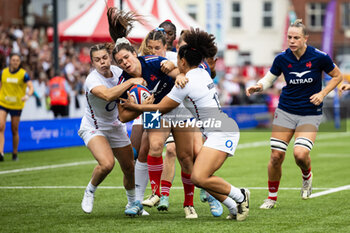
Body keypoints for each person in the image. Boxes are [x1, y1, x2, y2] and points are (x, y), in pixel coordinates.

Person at [121, 28, 250, 221]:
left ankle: (241, 195)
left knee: (199, 177)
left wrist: (135, 105)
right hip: (220, 129)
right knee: (197, 173)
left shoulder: (185, 83)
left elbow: (161, 108)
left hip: (221, 133)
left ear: (182, 61)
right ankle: (234, 207)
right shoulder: (202, 72)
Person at [107, 7, 199, 219]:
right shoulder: (124, 82)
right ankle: (155, 193)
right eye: (120, 62)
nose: (124, 63)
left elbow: (178, 73)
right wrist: (135, 106)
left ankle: (190, 203)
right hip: (153, 111)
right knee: (152, 148)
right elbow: (122, 117)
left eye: (126, 58)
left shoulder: (155, 61)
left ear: (134, 54)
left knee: (186, 157)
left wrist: (177, 75)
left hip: (177, 108)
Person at [246, 19, 343, 209]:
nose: (291, 40)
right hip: (286, 111)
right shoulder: (282, 58)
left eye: (296, 37)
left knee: (299, 154)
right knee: (276, 156)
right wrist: (258, 86)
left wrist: (322, 93)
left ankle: (307, 175)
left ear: (305, 38)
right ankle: (271, 197)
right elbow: (269, 78)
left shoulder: (319, 57)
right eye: (289, 37)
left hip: (309, 112)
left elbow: (337, 76)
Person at [78, 43, 146, 216]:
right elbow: (108, 95)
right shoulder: (92, 79)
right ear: (92, 63)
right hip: (94, 127)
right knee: (107, 164)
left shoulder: (118, 72)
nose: (102, 62)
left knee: (129, 167)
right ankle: (90, 191)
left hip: (115, 126)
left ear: (110, 57)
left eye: (105, 58)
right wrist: (131, 81)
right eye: (97, 60)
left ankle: (133, 204)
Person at [0, 53, 33, 161]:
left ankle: (14, 153)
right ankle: (1, 153)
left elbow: (31, 87)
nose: (15, 62)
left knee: (14, 129)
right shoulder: (3, 72)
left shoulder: (23, 74)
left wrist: (27, 95)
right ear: (10, 61)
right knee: (0, 126)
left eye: (17, 60)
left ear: (19, 62)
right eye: (13, 60)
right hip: (3, 102)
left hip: (16, 104)